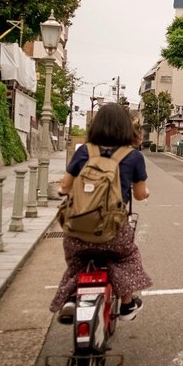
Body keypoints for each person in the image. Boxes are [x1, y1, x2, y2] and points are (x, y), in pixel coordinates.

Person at [50, 103, 151, 324]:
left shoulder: (84, 151)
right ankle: (126, 305)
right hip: (113, 232)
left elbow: (65, 187)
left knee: (76, 260)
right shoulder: (133, 157)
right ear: (126, 127)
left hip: (78, 230)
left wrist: (62, 191)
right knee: (126, 257)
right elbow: (141, 194)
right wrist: (145, 193)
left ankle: (69, 300)